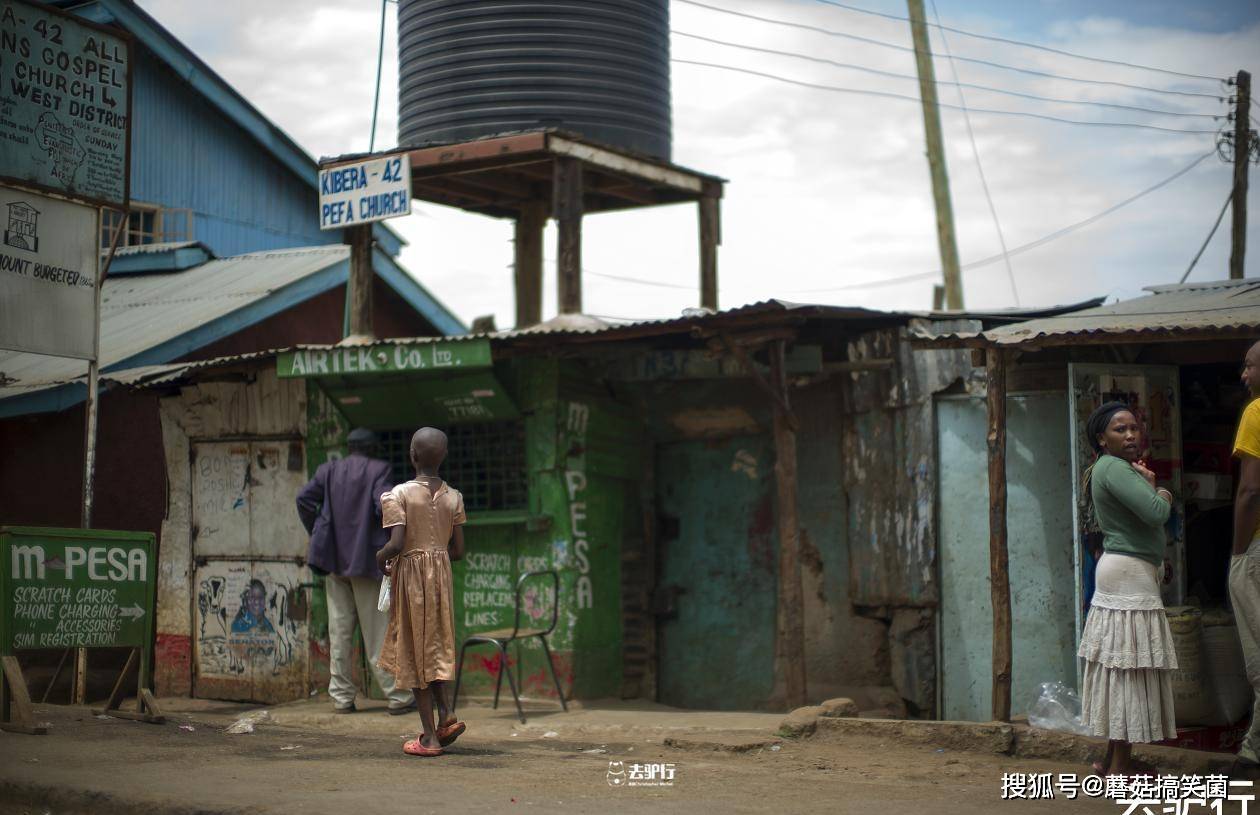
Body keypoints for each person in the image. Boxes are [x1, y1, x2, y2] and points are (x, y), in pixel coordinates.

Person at [1077, 401, 1177, 776]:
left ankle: (1112, 761)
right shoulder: (1113, 468)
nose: (1131, 435)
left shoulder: (1111, 468)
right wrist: (1163, 493)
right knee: (1128, 671)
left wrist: (1149, 487)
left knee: (1124, 669)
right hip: (1127, 575)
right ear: (1101, 439)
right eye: (1121, 430)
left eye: (1134, 427)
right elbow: (1155, 513)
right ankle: (1119, 766)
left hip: (1128, 572)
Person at [296, 428, 415, 715]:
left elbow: (303, 499)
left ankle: (341, 698)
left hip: (333, 560)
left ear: (349, 448)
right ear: (373, 448)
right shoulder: (379, 470)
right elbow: (382, 505)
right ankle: (397, 696)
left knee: (340, 632)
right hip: (365, 561)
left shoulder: (329, 470)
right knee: (377, 633)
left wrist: (319, 530)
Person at [376, 427, 467, 757]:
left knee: (415, 653)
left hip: (412, 580)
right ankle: (447, 716)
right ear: (443, 457)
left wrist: (380, 557)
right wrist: (435, 557)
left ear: (412, 455)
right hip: (441, 579)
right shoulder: (454, 497)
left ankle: (429, 738)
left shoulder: (396, 495)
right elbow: (458, 551)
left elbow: (396, 543)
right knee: (436, 646)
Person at [1231, 340, 1260, 769]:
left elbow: (1252, 489)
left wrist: (1238, 552)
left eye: (1250, 365)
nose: (1243, 374)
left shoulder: (1256, 412)